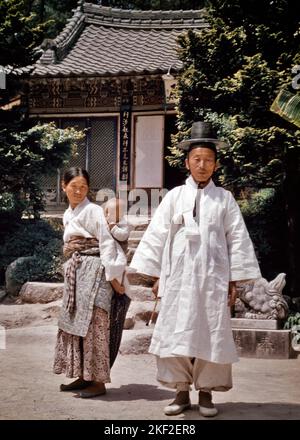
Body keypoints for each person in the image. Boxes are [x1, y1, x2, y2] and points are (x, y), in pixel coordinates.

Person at [130, 121, 261, 417]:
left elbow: (237, 239)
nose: (202, 165)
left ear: (216, 164)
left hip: (213, 279)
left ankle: (206, 394)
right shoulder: (175, 196)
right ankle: (179, 392)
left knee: (211, 331)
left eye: (208, 160)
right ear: (187, 161)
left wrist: (234, 280)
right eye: (197, 159)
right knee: (177, 330)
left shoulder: (224, 199)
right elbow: (158, 234)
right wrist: (155, 276)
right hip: (178, 278)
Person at [53, 167, 126, 398]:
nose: (78, 190)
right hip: (77, 272)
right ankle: (83, 375)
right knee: (76, 325)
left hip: (96, 271)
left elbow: (106, 244)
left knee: (96, 326)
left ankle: (98, 382)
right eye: (74, 186)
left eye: (83, 187)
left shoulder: (93, 210)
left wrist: (114, 281)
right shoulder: (69, 213)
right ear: (64, 186)